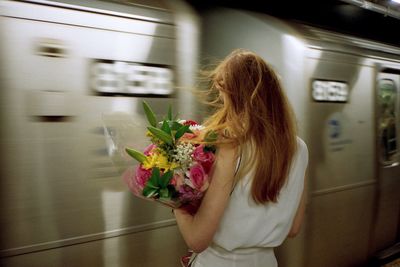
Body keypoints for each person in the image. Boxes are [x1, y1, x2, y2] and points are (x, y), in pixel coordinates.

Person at [173, 49, 309, 267]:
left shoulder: (228, 147)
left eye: (222, 94)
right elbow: (293, 228)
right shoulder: (299, 148)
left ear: (234, 96)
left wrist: (177, 203)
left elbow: (197, 240)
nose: (221, 101)